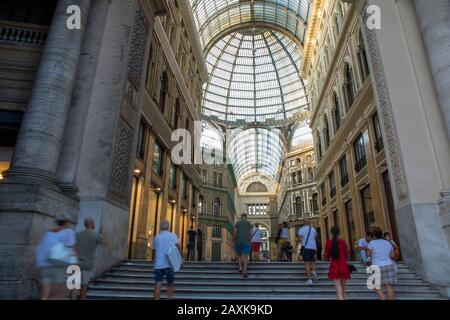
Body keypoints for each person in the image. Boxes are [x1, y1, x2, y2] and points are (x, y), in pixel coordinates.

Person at [35, 212, 77, 300]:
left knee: (45, 296)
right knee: (58, 295)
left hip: (43, 266)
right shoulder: (68, 232)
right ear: (66, 222)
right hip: (57, 266)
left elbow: (40, 249)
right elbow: (73, 249)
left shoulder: (47, 233)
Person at [71, 217, 102, 300]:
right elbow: (103, 245)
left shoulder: (77, 234)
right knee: (84, 285)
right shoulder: (96, 235)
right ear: (92, 223)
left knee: (75, 286)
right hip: (88, 264)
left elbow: (73, 248)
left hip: (77, 263)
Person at [153, 220, 181, 300]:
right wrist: (181, 258)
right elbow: (177, 247)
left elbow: (155, 249)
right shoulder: (173, 236)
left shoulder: (157, 237)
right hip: (169, 264)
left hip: (158, 265)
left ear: (160, 227)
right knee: (170, 285)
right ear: (168, 227)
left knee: (158, 285)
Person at [367, 227, 397, 300]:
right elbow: (392, 256)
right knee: (389, 286)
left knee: (375, 285)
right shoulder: (387, 243)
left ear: (373, 236)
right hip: (389, 265)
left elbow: (368, 255)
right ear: (381, 235)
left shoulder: (371, 243)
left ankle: (382, 298)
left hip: (376, 266)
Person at [324, 227, 351, 300]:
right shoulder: (343, 242)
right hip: (343, 265)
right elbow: (347, 254)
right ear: (339, 233)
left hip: (334, 266)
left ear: (331, 233)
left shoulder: (329, 242)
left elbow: (326, 256)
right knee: (343, 289)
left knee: (338, 289)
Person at [296, 219, 318, 285]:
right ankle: (313, 271)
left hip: (306, 247)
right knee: (313, 261)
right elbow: (316, 237)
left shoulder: (301, 229)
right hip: (314, 247)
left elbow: (299, 239)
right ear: (309, 223)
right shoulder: (313, 229)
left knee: (306, 263)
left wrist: (297, 246)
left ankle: (309, 279)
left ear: (303, 223)